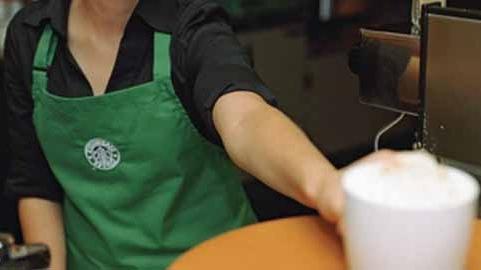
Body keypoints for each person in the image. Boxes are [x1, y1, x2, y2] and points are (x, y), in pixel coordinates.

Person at [3, 0, 392, 269]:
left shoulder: (191, 25)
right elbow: (37, 186)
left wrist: (328, 187)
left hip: (213, 260)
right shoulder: (30, 36)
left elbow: (244, 118)